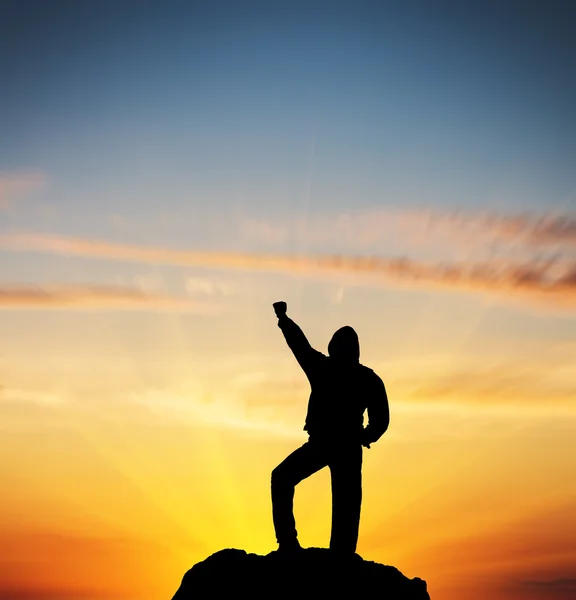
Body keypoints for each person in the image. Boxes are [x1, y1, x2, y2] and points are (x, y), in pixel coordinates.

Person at [271, 301, 389, 556]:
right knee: (283, 479)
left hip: (338, 445)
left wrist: (283, 318)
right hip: (330, 444)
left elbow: (380, 420)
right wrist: (284, 319)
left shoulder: (335, 371)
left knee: (343, 505)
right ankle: (293, 544)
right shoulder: (340, 372)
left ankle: (322, 552)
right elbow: (299, 345)